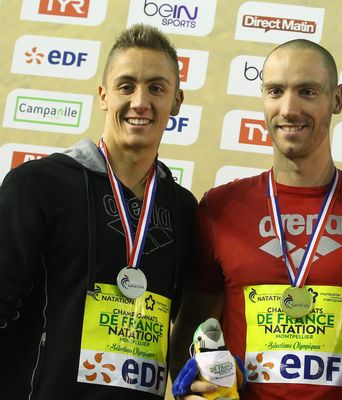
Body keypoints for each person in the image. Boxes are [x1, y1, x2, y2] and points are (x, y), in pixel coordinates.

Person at [171, 39, 342, 399]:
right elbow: (191, 335)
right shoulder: (219, 209)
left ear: (338, 99)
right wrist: (197, 385)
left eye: (307, 92)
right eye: (276, 91)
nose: (289, 108)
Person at [0, 24, 198, 399]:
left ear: (176, 101)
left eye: (157, 88)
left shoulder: (182, 208)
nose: (140, 101)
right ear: (104, 96)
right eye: (127, 86)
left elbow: (188, 325)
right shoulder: (38, 185)